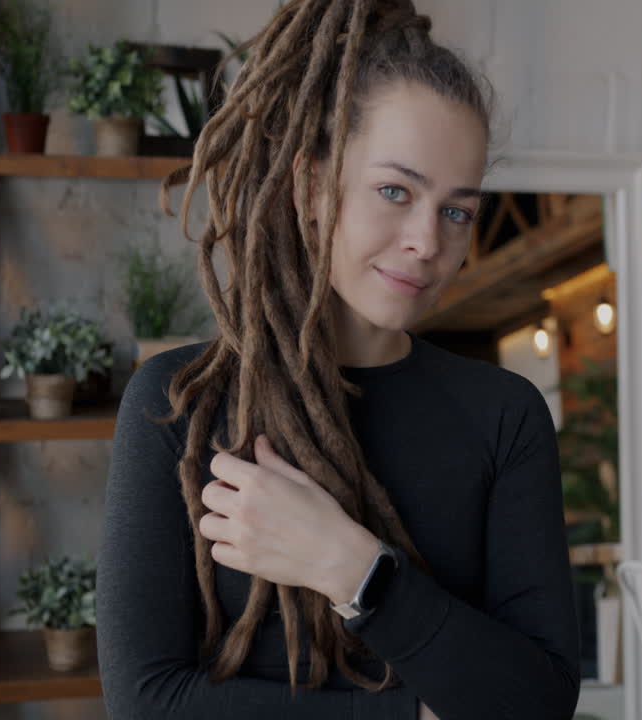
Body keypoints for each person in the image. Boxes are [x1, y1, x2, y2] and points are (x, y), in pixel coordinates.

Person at [96, 1, 581, 718]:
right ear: (312, 188)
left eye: (457, 211)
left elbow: (537, 704)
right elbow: (147, 703)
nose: (427, 240)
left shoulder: (504, 417)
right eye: (395, 191)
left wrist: (351, 568)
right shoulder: (179, 404)